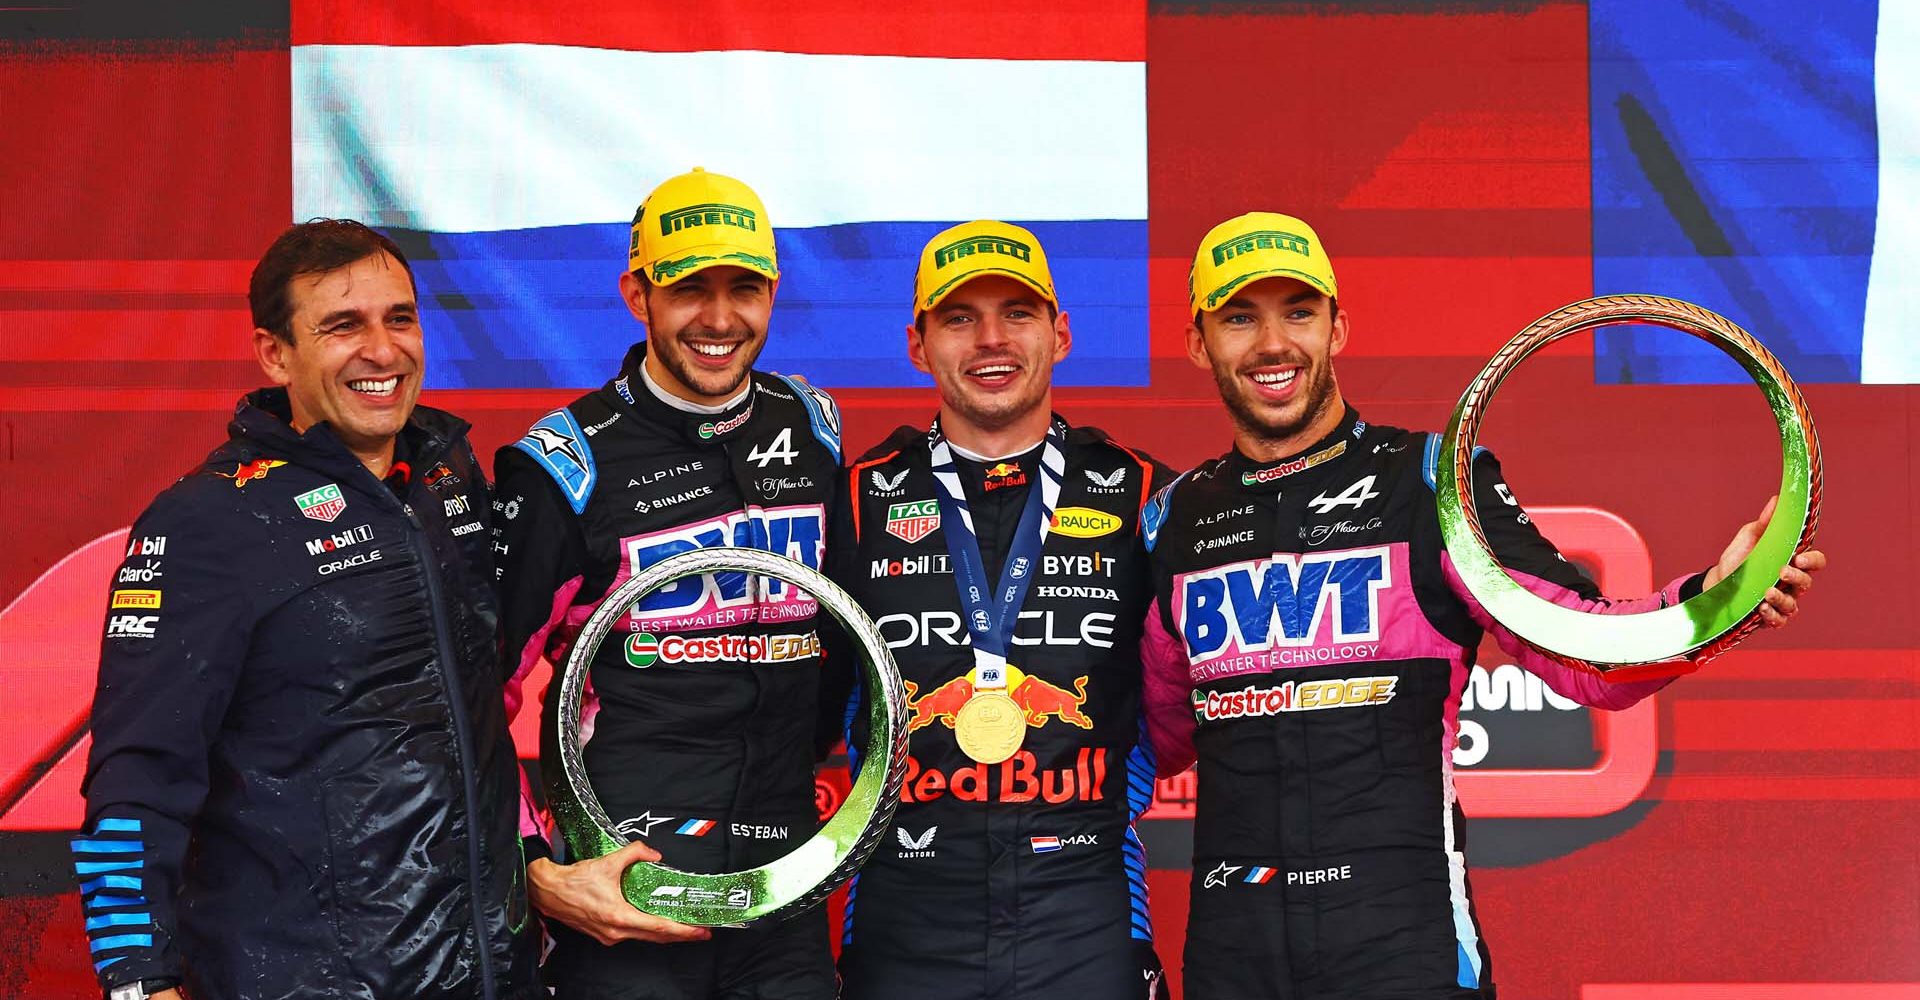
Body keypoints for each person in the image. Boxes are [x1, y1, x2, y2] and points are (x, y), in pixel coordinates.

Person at [1139, 211, 1828, 999]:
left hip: (1404, 938)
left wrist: (1721, 594)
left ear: (1338, 328)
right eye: (1239, 317)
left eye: (1299, 311)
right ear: (1199, 343)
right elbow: (1146, 738)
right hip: (1234, 948)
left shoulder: (1434, 482)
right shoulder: (1173, 520)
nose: (1272, 344)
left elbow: (1589, 660)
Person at [76, 220, 539, 1000]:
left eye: (399, 318)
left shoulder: (447, 478)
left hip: (491, 975)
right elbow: (135, 777)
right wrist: (136, 982)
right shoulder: (209, 521)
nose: (384, 352)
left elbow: (476, 730)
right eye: (342, 326)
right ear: (274, 354)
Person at [494, 167, 845, 1000]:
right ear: (637, 293)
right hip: (627, 897)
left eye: (744, 288)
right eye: (689, 289)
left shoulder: (812, 427)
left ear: (773, 292)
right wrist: (536, 870)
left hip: (782, 896)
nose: (720, 320)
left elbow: (849, 640)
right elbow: (474, 694)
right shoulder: (562, 461)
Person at [830, 220, 1172, 999]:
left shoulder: (1144, 494)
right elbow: (803, 708)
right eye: (959, 318)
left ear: (1060, 333)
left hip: (1085, 911)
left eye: (1017, 314)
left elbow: (1191, 702)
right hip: (902, 909)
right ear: (918, 345)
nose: (991, 340)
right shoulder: (853, 500)